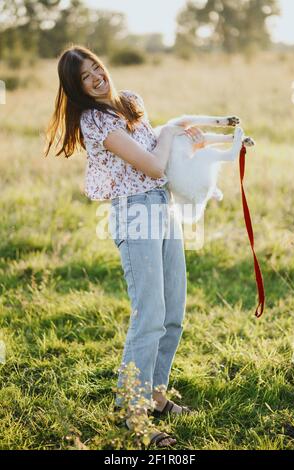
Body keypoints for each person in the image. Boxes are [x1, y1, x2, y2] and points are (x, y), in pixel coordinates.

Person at [45, 45, 203, 448]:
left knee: (173, 312)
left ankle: (156, 395)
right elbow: (151, 165)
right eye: (86, 76)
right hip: (134, 215)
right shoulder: (93, 120)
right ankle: (134, 414)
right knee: (149, 313)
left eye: (96, 67)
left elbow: (160, 159)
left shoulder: (130, 102)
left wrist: (189, 144)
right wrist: (169, 131)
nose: (97, 76)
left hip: (162, 207)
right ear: (77, 88)